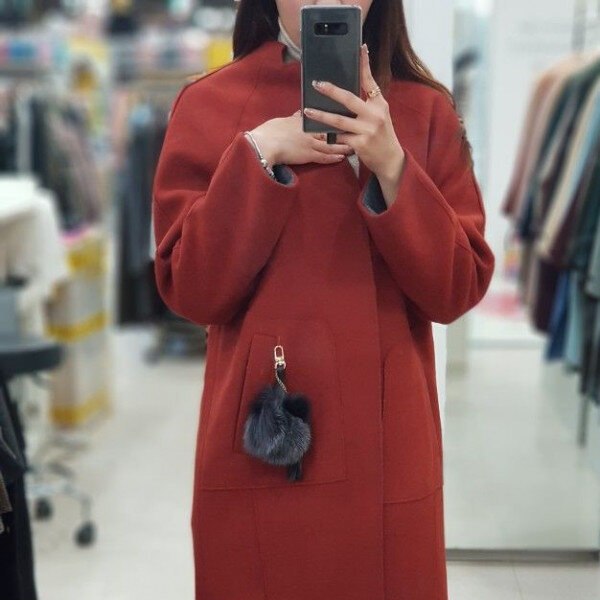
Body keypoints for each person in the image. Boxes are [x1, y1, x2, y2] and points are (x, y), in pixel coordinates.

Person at [152, 0, 495, 598]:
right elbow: (191, 289)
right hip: (269, 437)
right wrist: (258, 153)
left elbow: (456, 289)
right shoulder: (210, 104)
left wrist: (392, 166)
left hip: (387, 444)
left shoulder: (424, 111)